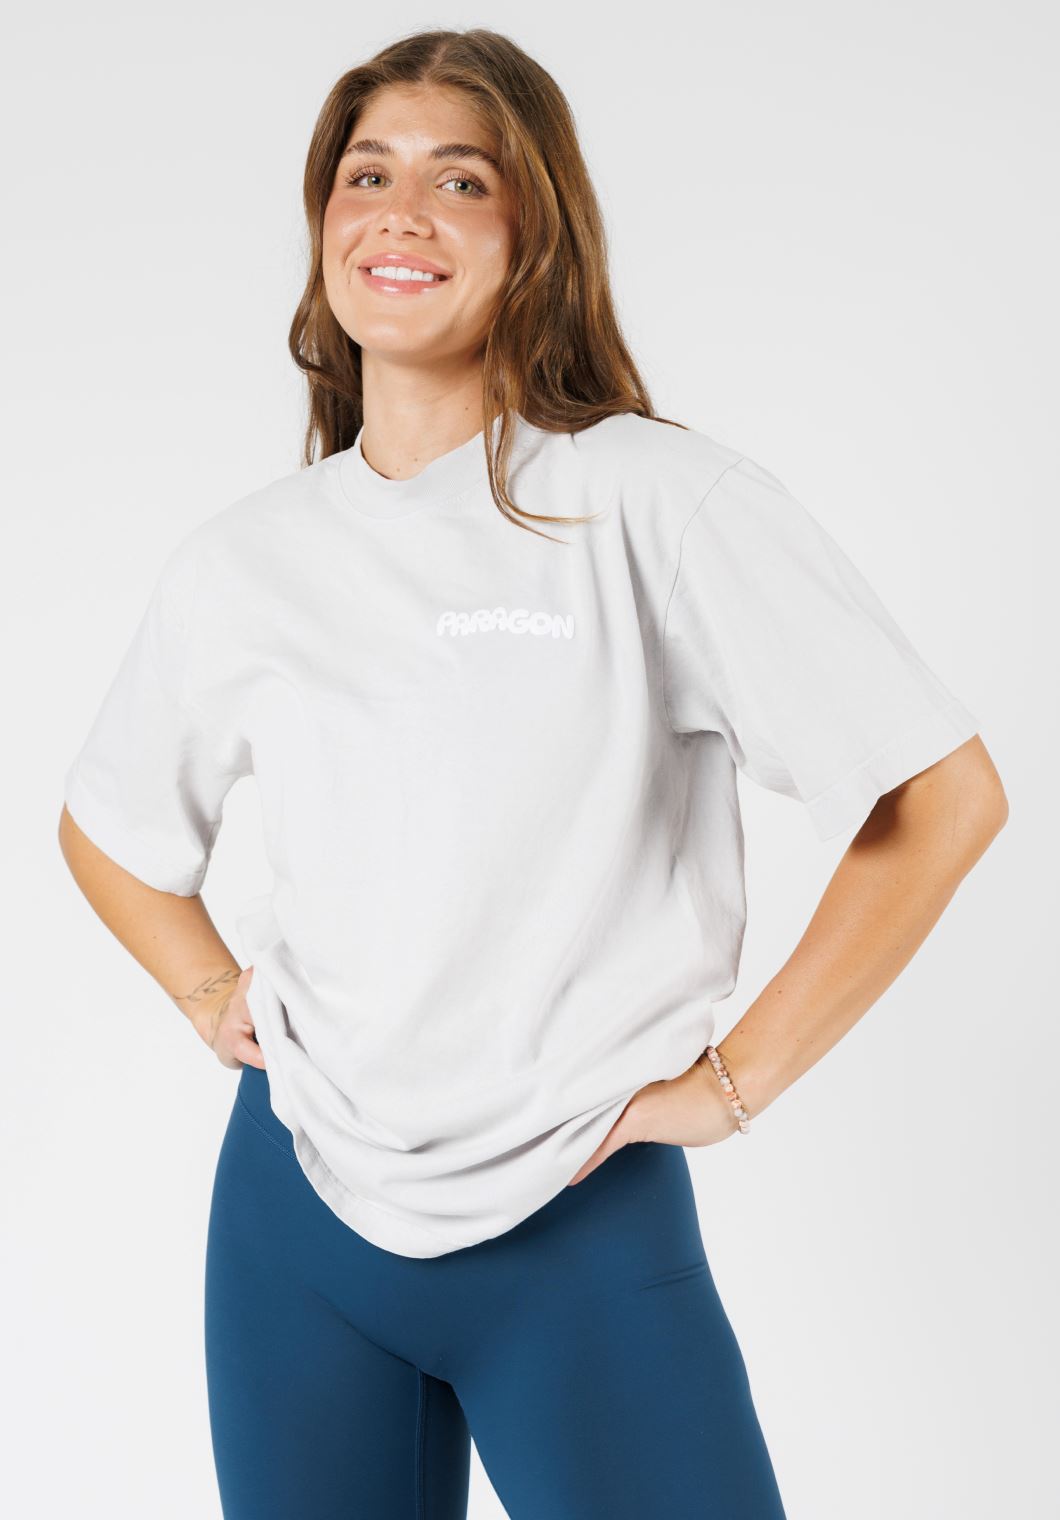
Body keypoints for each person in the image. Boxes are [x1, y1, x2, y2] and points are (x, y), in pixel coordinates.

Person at [57, 27, 1008, 1520]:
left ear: (536, 234)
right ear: (323, 226)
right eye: (367, 176)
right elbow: (108, 826)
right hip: (297, 1224)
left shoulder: (651, 501)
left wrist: (736, 1086)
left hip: (574, 1221)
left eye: (462, 181)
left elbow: (940, 795)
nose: (402, 213)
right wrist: (205, 988)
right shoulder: (247, 561)